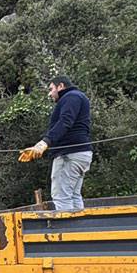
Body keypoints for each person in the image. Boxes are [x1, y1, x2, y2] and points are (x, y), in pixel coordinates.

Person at [19, 76, 93, 212]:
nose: (50, 93)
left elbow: (65, 121)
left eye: (51, 89)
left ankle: (68, 232)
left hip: (69, 155)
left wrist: (44, 143)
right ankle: (81, 230)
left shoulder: (71, 97)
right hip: (81, 154)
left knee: (61, 197)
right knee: (74, 196)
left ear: (61, 86)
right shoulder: (78, 97)